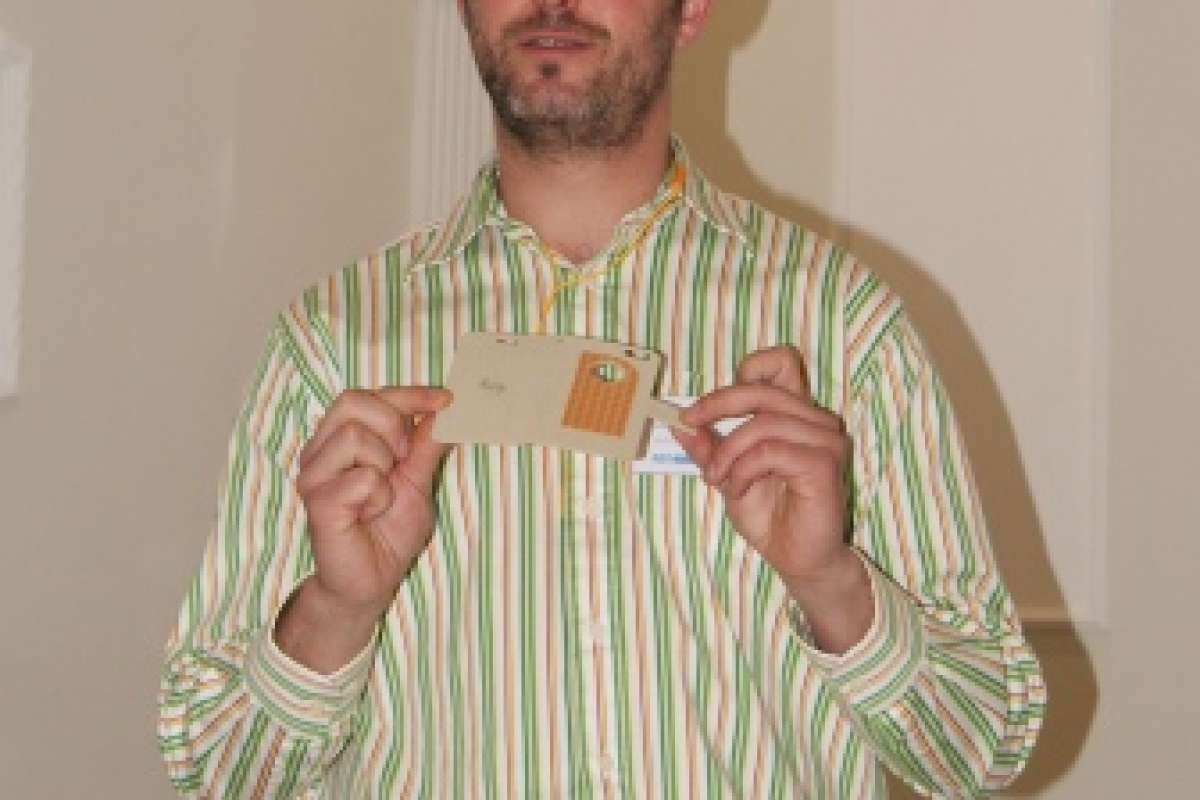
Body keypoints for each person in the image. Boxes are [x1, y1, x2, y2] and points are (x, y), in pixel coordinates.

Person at [158, 0, 1045, 797]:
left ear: (691, 9)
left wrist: (832, 583)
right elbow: (216, 769)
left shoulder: (841, 325)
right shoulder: (332, 342)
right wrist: (336, 608)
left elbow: (979, 750)